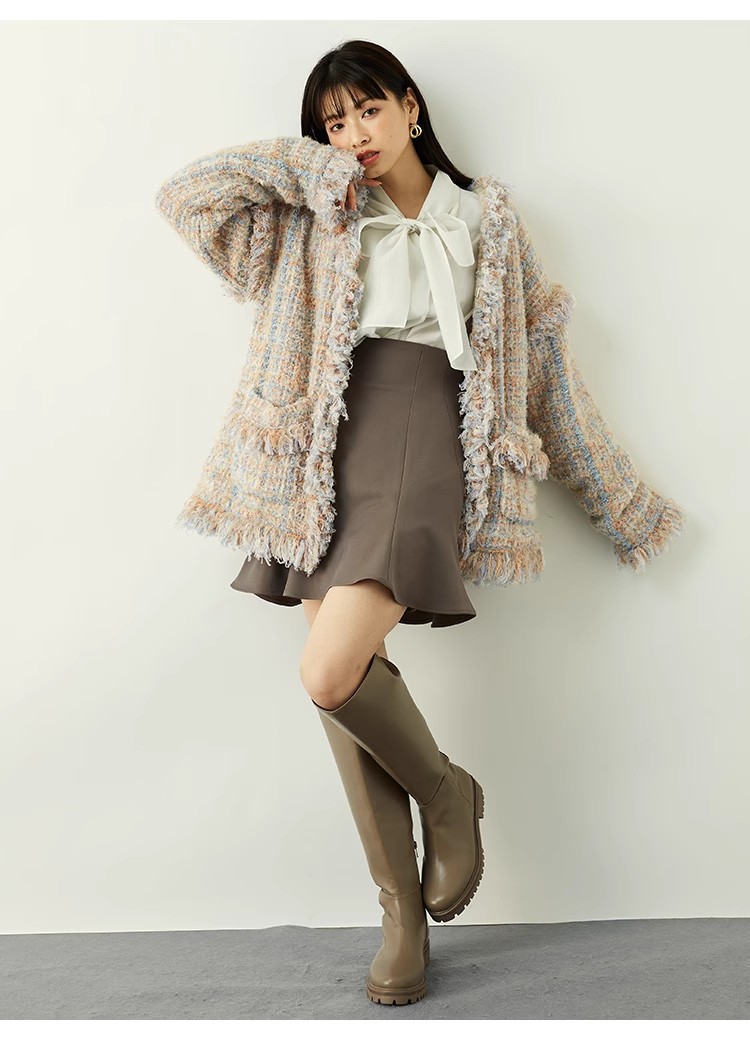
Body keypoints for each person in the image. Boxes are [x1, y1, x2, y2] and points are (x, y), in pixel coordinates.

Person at [154, 38, 685, 1007]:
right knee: (341, 683)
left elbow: (545, 376)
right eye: (333, 123)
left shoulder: (489, 220)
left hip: (427, 435)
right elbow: (189, 199)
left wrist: (624, 507)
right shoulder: (317, 213)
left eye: (368, 110)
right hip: (319, 447)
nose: (354, 134)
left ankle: (447, 794)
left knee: (328, 671)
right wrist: (306, 167)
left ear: (410, 105)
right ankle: (400, 911)